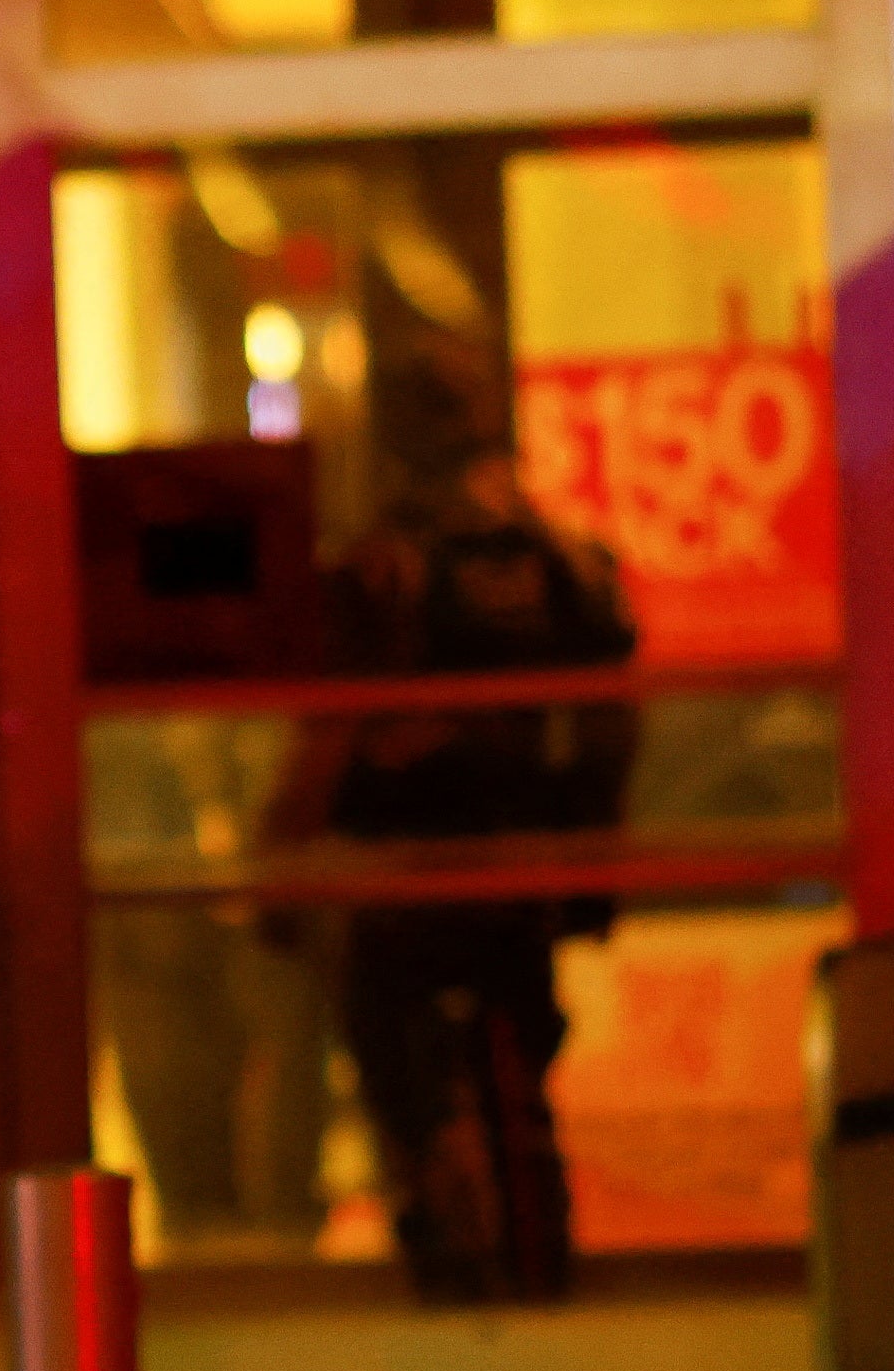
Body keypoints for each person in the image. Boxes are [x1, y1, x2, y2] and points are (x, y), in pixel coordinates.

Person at [273, 370, 639, 1303]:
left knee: (396, 1070)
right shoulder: (559, 554)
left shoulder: (377, 564)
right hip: (519, 856)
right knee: (522, 1073)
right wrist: (591, 838)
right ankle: (532, 1255)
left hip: (402, 869)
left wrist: (278, 859)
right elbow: (612, 709)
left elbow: (332, 726)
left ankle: (442, 1242)